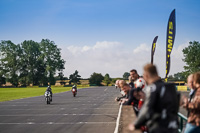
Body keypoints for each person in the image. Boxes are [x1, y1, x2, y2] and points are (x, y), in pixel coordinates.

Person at [129, 64, 179, 133]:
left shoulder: (153, 88)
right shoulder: (171, 87)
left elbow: (147, 109)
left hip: (159, 127)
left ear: (146, 75)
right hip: (173, 126)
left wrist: (136, 124)